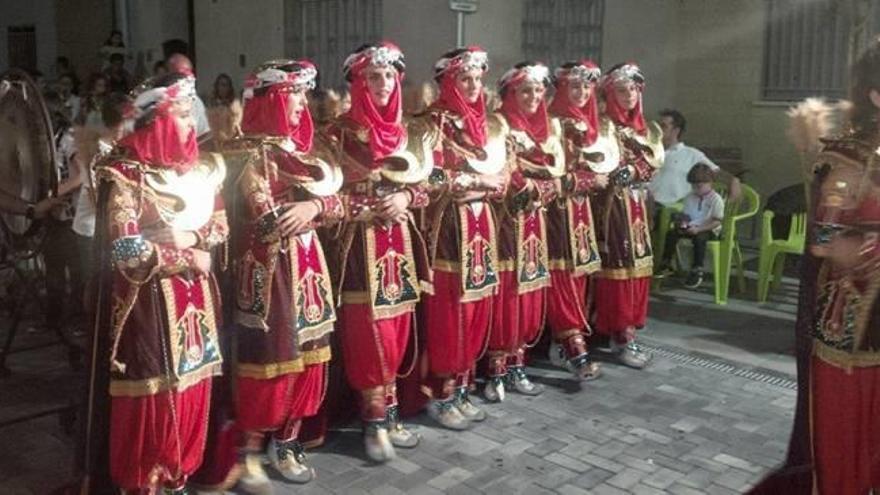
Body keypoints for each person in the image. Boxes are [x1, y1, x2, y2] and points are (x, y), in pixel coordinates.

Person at [83, 71, 228, 493]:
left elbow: (219, 226)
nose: (191, 122)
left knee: (192, 390)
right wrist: (189, 255)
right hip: (145, 308)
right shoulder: (124, 174)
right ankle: (143, 484)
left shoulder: (201, 169)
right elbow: (126, 251)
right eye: (183, 114)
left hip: (194, 303)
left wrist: (194, 238)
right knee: (151, 399)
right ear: (159, 118)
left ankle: (177, 477)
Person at [751, 37, 880, 495]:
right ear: (876, 94)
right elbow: (824, 242)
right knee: (848, 450)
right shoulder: (848, 160)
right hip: (855, 328)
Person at [228, 59, 344, 490]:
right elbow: (265, 218)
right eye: (293, 94)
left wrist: (314, 207)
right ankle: (253, 448)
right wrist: (312, 210)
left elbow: (340, 202)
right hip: (269, 273)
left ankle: (290, 439)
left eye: (303, 94)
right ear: (273, 99)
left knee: (311, 354)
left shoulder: (309, 151)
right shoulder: (247, 154)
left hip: (309, 266)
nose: (302, 103)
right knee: (272, 358)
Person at [321, 41, 432, 462]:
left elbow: (428, 183)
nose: (383, 83)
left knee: (398, 331)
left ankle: (388, 413)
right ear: (357, 82)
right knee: (367, 334)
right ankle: (372, 421)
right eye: (373, 76)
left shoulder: (411, 132)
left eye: (389, 76)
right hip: (357, 251)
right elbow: (325, 199)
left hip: (399, 249)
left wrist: (406, 199)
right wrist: (367, 208)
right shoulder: (336, 134)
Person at [419, 46, 507, 429]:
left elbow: (503, 181)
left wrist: (481, 188)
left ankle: (463, 387)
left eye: (476, 79)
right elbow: (433, 179)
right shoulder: (431, 124)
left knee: (475, 311)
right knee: (450, 313)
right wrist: (480, 183)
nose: (472, 86)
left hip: (481, 230)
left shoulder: (486, 124)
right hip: (449, 233)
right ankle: (440, 394)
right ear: (447, 83)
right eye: (464, 79)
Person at [484, 61, 560, 402]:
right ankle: (495, 372)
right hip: (503, 226)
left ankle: (518, 365)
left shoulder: (546, 130)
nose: (532, 96)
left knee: (528, 297)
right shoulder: (497, 125)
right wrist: (531, 186)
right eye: (524, 90)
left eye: (538, 90)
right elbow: (504, 176)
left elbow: (557, 181)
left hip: (533, 226)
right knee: (507, 296)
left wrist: (540, 188)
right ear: (510, 94)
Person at [591, 62, 663, 369]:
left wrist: (634, 170)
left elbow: (650, 164)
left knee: (640, 266)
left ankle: (630, 328)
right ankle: (619, 334)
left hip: (637, 205)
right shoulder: (603, 126)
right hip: (612, 207)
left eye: (633, 89)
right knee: (618, 266)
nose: (629, 95)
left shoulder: (645, 129)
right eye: (622, 89)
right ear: (610, 93)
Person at [545, 59, 608, 380]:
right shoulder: (552, 123)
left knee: (581, 276)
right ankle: (573, 345)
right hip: (557, 212)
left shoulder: (590, 122)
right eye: (574, 86)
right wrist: (586, 181)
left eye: (587, 86)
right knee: (563, 276)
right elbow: (550, 174)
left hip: (582, 212)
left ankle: (568, 338)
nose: (582, 92)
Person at [649, 108, 741, 208]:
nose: (657, 129)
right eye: (657, 125)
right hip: (644, 204)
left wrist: (733, 180)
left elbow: (716, 172)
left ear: (676, 131)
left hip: (668, 209)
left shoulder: (691, 154)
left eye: (663, 126)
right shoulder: (648, 153)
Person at [656, 163, 724, 289]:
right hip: (692, 227)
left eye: (700, 185)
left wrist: (699, 229)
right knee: (672, 233)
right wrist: (683, 223)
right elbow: (686, 215)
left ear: (710, 182)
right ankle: (666, 262)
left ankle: (697, 269)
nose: (697, 188)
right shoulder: (690, 197)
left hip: (709, 229)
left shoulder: (716, 199)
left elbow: (717, 221)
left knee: (700, 238)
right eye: (694, 185)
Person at [167, 54, 211, 138]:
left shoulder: (196, 101)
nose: (185, 79)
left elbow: (203, 134)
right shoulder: (156, 102)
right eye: (179, 74)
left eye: (188, 73)